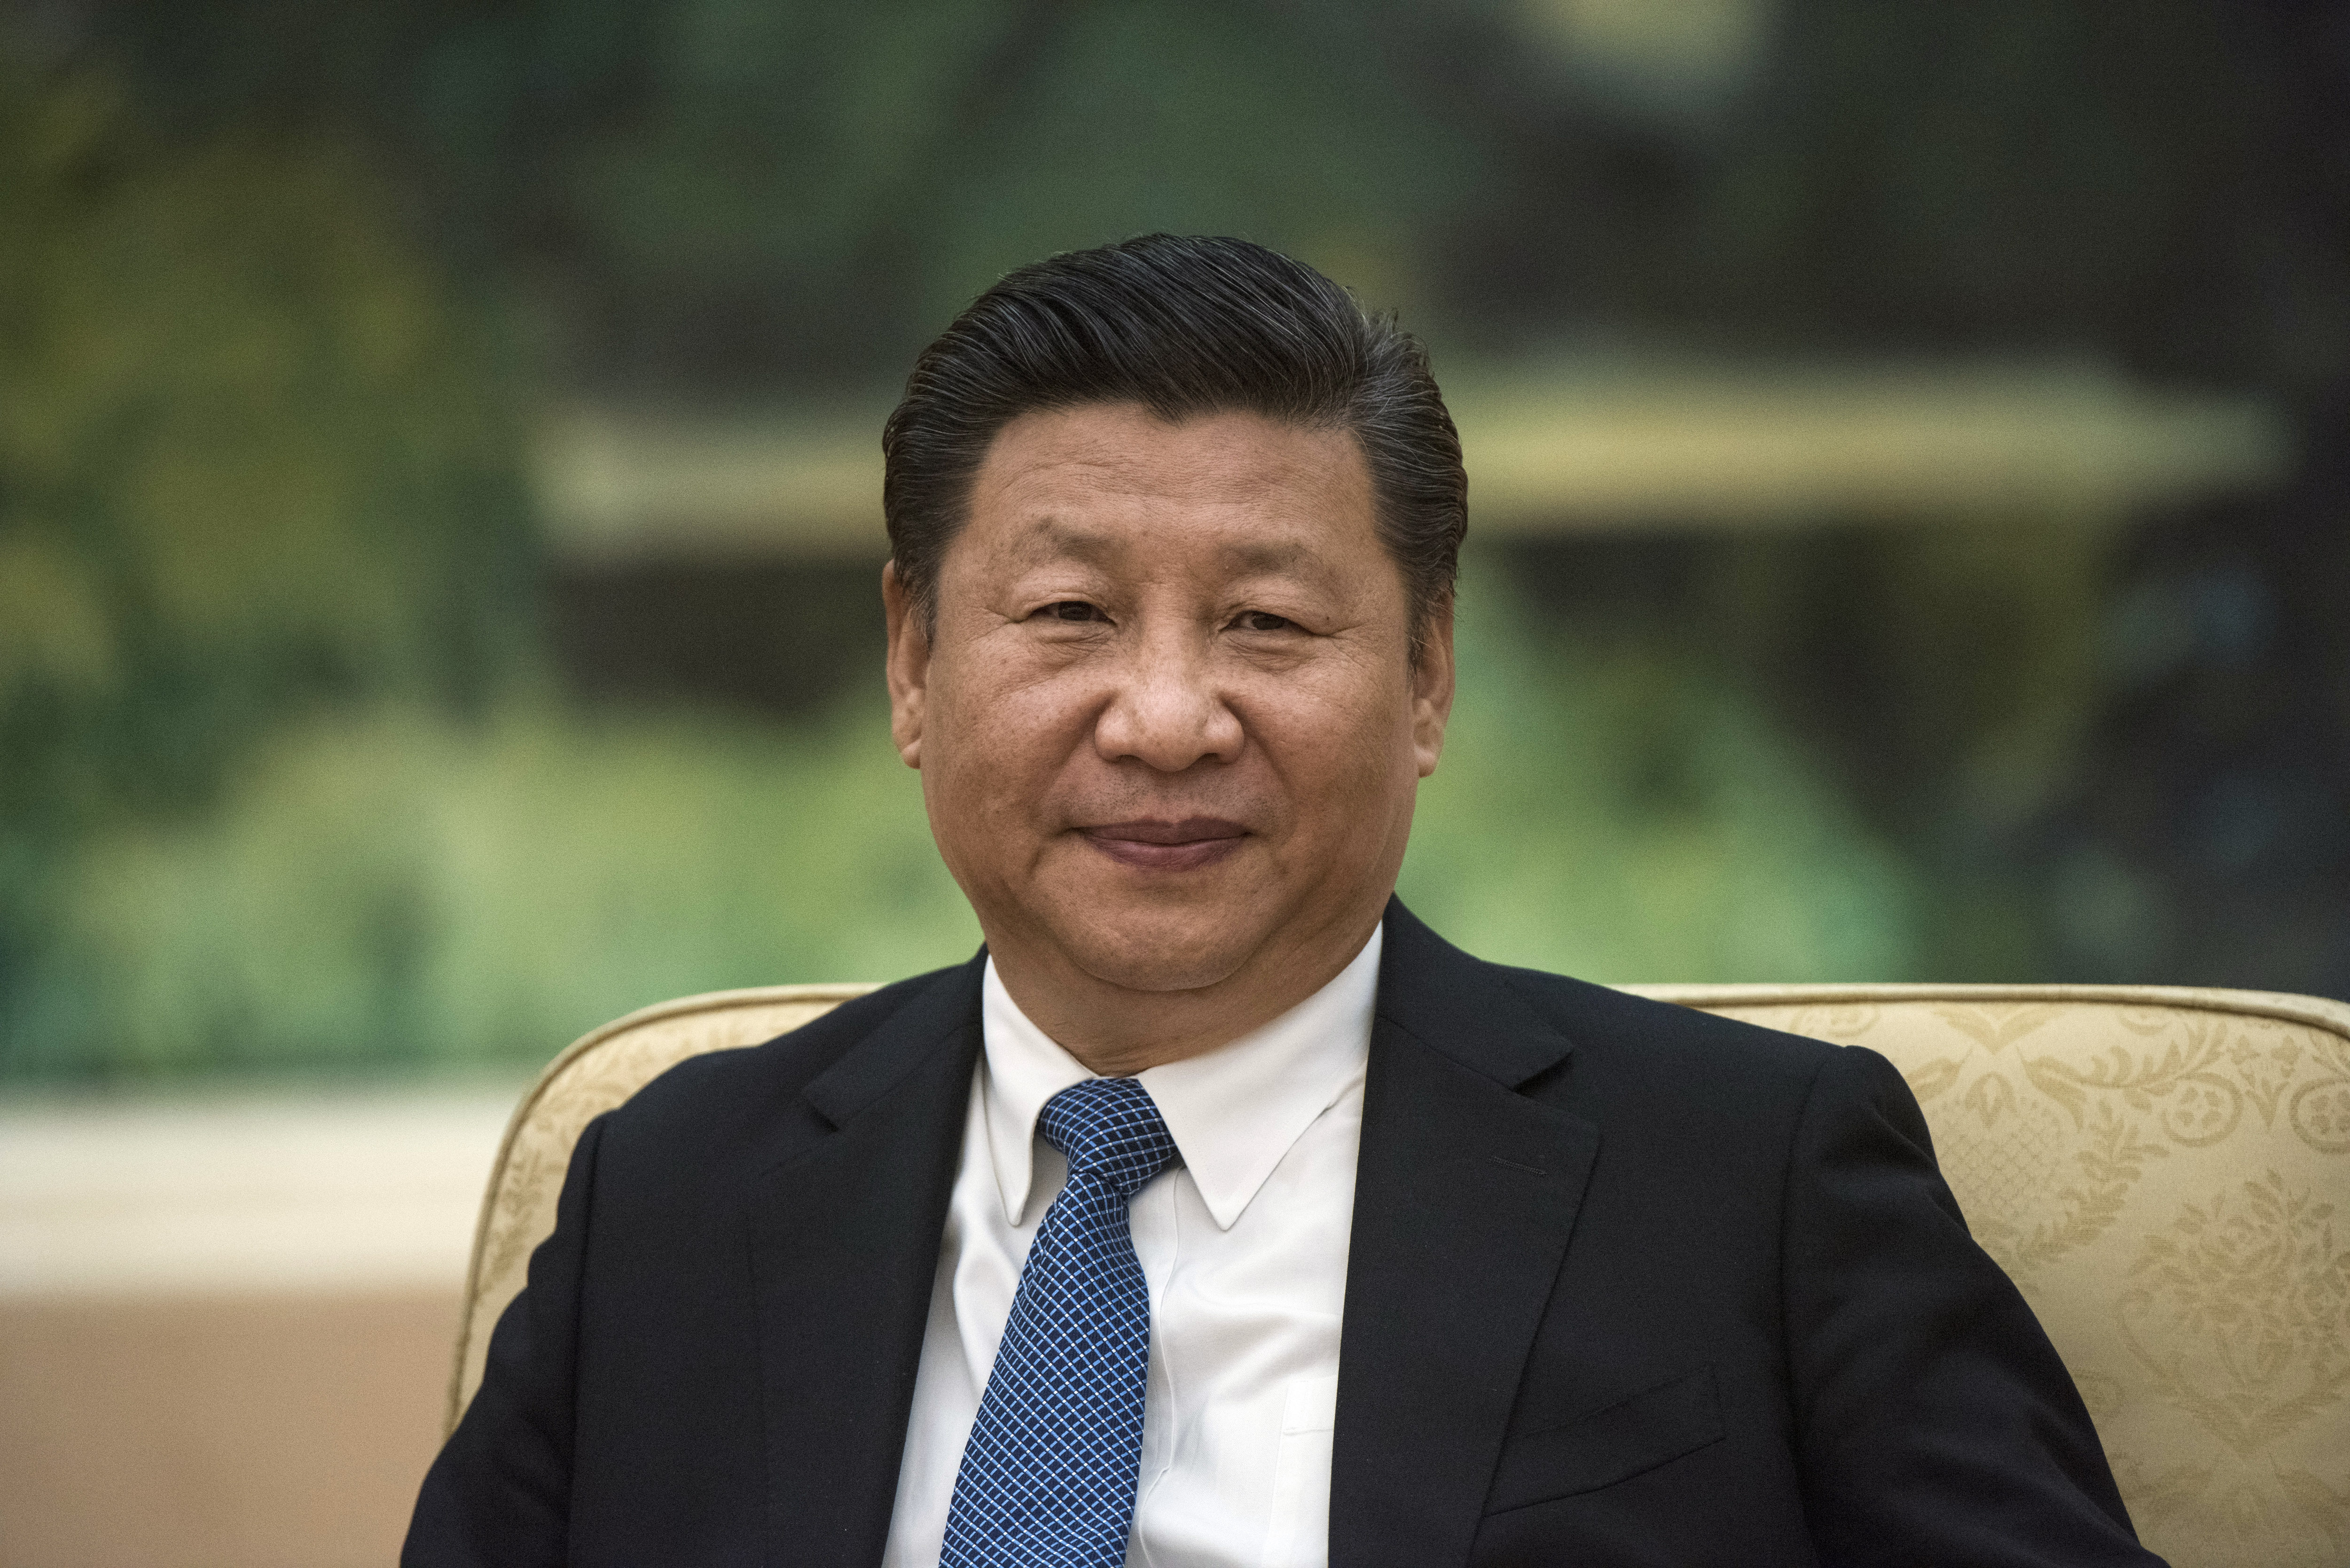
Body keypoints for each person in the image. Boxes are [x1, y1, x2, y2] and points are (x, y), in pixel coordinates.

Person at [404, 235, 2163, 1567]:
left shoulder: (1752, 1184)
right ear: (912, 661)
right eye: (1071, 614)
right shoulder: (673, 1201)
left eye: (1267, 622)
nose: (1167, 718)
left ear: (1426, 676)